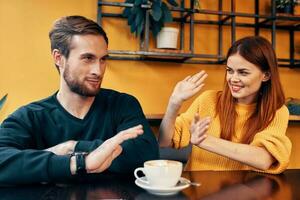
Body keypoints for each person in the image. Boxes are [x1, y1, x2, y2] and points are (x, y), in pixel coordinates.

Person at [0, 15, 159, 185]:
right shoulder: (31, 116)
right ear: (58, 58)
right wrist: (79, 163)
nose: (98, 71)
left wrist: (72, 148)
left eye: (103, 59)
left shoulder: (123, 104)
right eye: (88, 58)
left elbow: (146, 154)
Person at [159, 36, 291, 174]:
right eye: (229, 70)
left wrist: (204, 140)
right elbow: (164, 142)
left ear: (266, 75)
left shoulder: (277, 111)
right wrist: (174, 103)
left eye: (243, 72)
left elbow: (264, 159)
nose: (233, 79)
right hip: (197, 190)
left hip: (241, 192)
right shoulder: (208, 100)